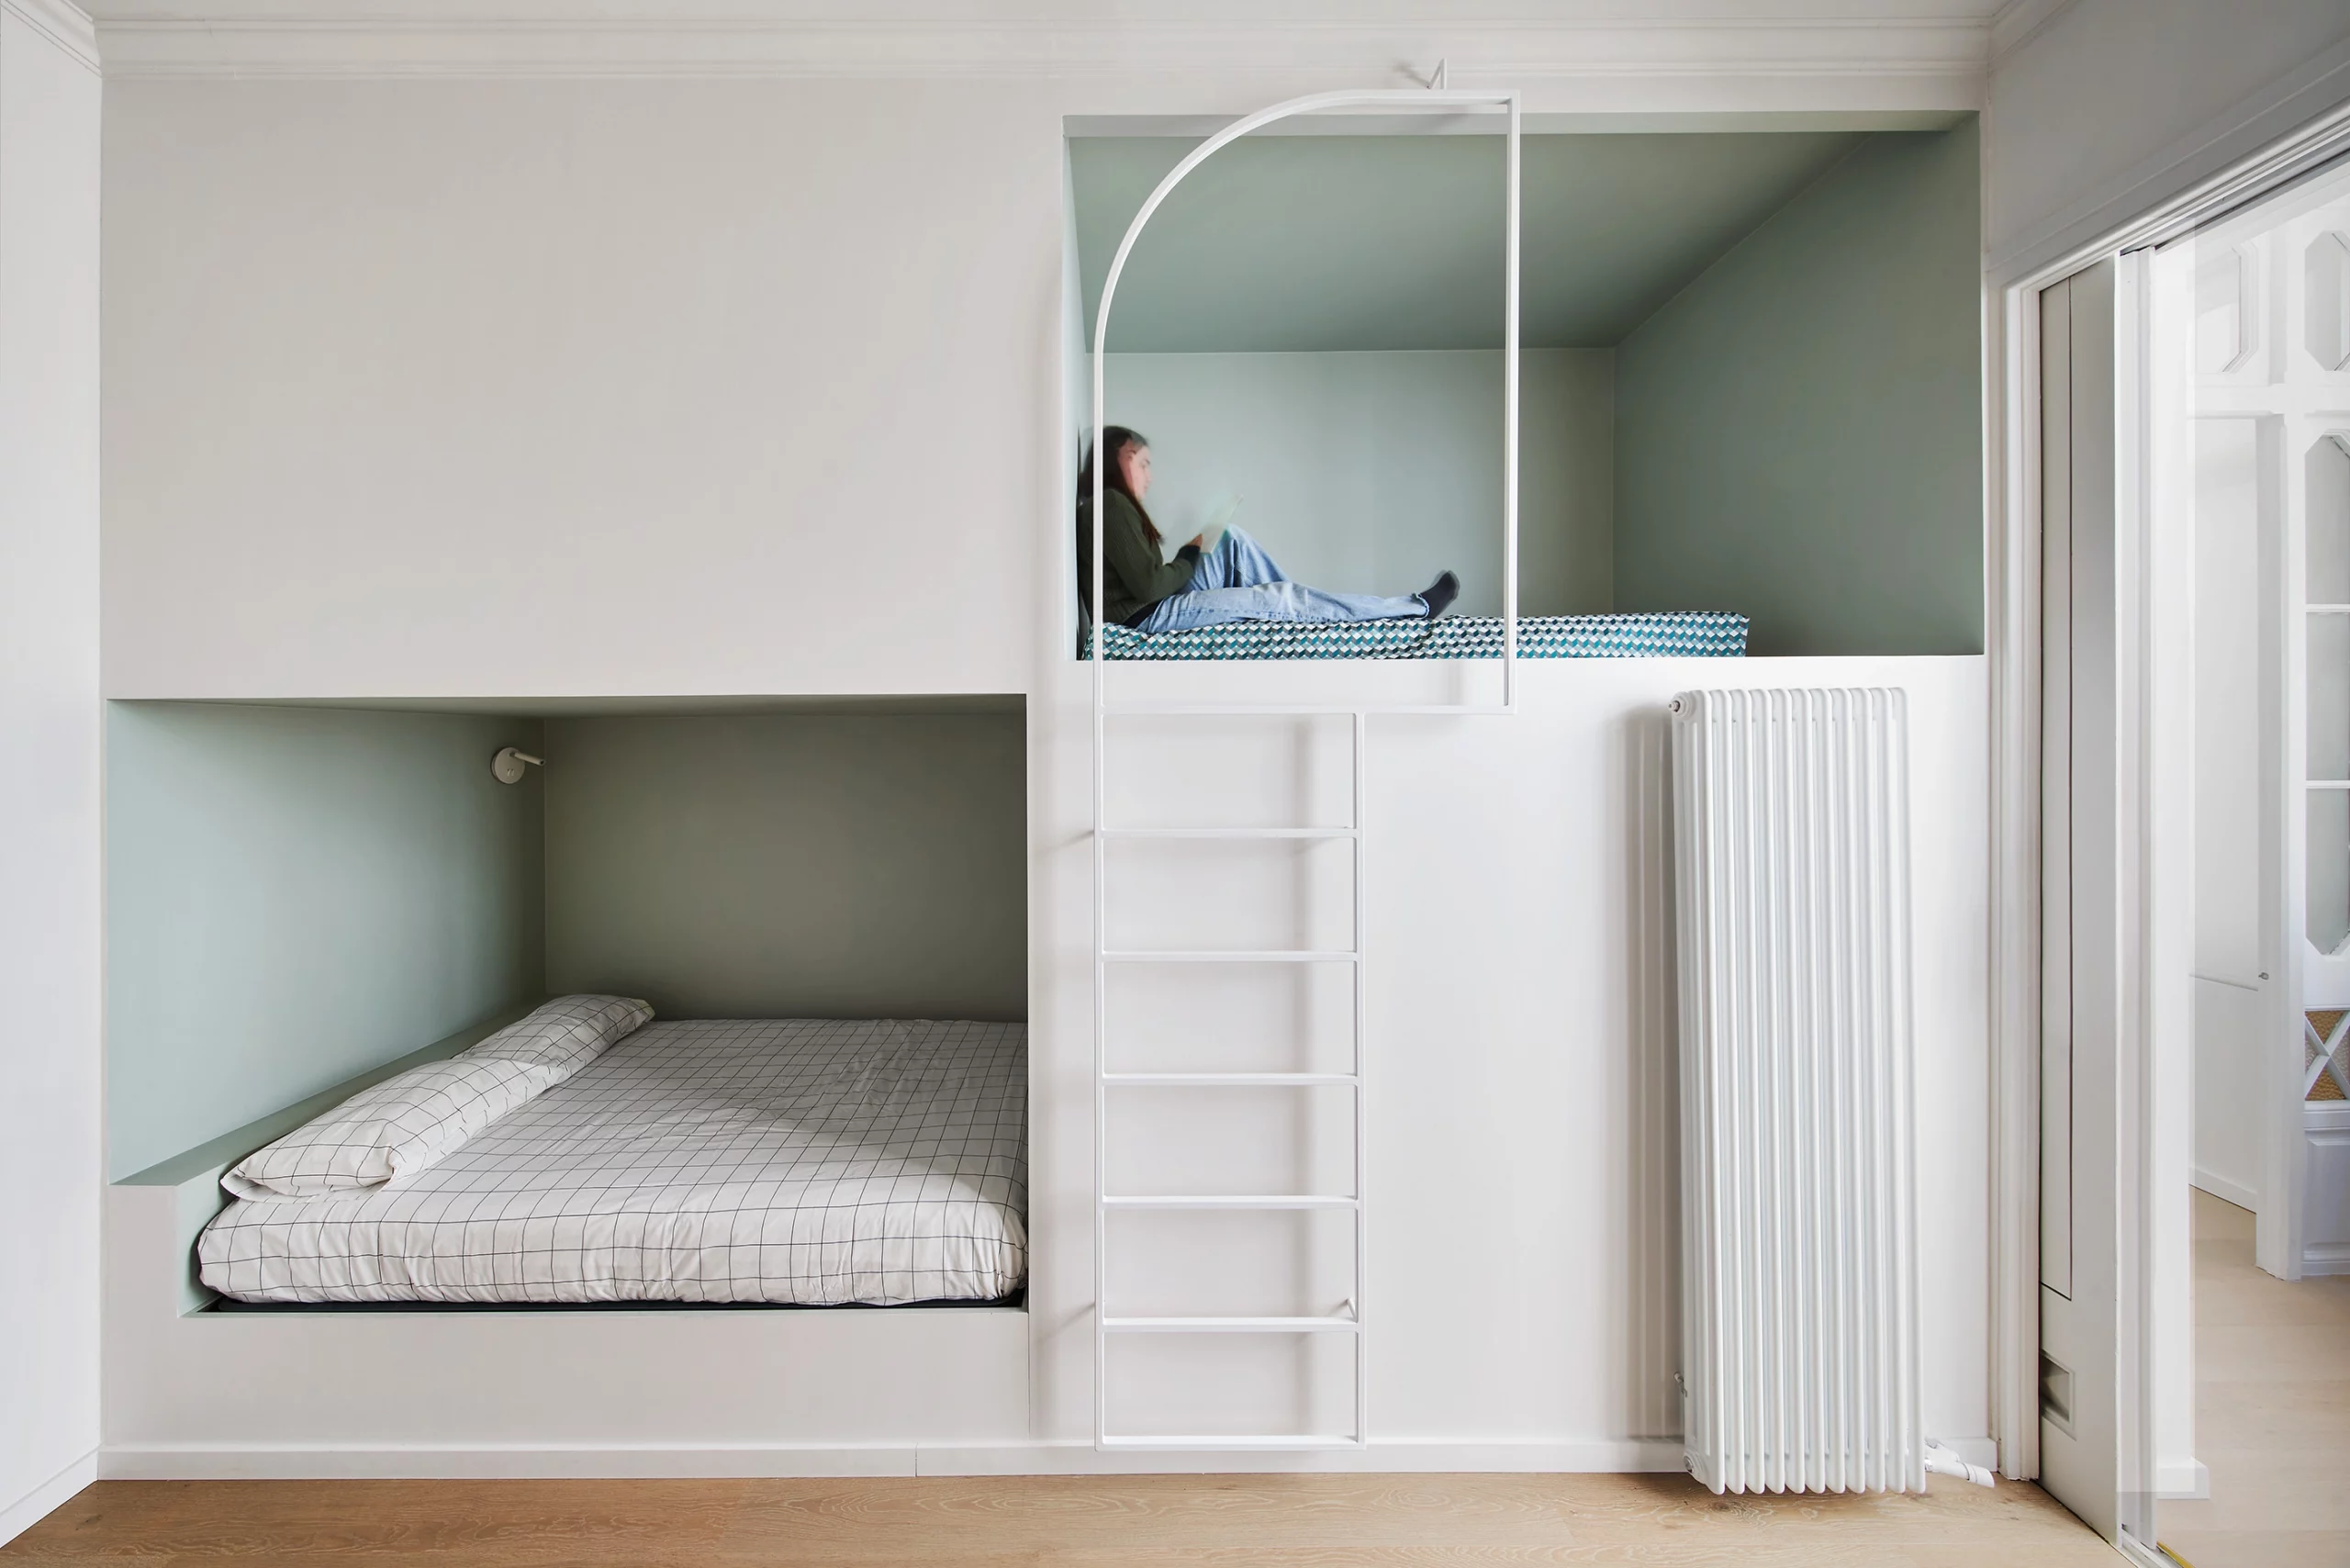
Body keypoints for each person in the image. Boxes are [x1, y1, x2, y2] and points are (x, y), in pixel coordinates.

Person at [1076, 426, 1460, 634]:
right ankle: (1413, 610)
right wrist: (1189, 554)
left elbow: (1148, 581)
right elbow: (1148, 587)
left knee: (1230, 540)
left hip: (1153, 605)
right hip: (1145, 618)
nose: (1149, 475)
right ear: (1113, 459)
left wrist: (1194, 551)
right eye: (1140, 462)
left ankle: (1298, 612)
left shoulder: (1111, 507)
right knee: (1277, 598)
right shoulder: (1110, 503)